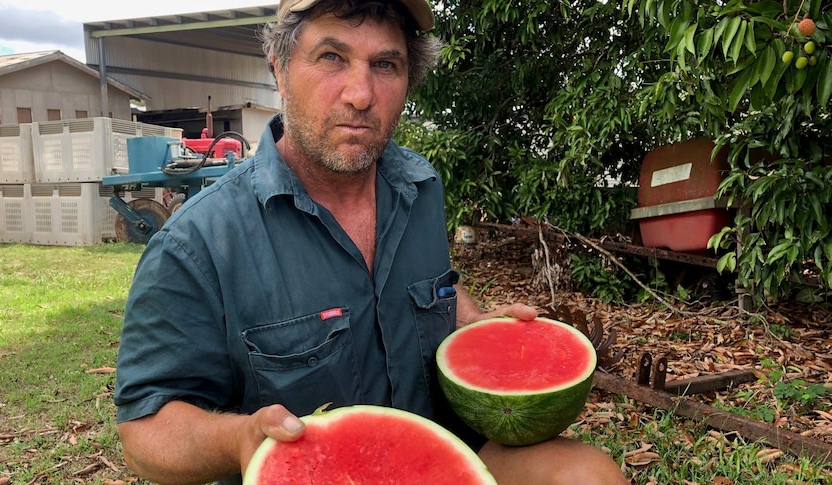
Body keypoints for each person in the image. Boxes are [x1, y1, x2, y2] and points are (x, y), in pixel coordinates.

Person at [113, 0, 629, 484]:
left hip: (439, 453)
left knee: (587, 475)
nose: (360, 95)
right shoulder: (198, 241)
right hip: (325, 472)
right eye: (332, 56)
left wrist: (475, 327)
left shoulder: (418, 186)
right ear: (279, 65)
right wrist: (241, 438)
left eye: (385, 65)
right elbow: (144, 430)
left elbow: (436, 288)